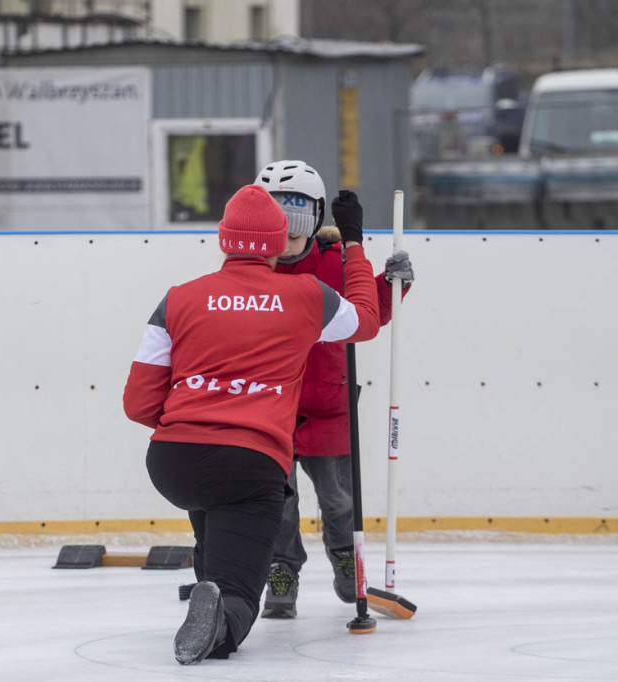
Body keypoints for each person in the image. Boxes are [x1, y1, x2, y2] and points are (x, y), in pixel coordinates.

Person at [123, 183, 382, 665]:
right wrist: (353, 244)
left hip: (172, 460)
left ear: (223, 238)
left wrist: (195, 415)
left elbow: (138, 403)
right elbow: (366, 319)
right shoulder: (306, 295)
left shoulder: (178, 298)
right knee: (242, 590)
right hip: (248, 464)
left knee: (216, 533)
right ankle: (222, 617)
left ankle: (208, 587)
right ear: (280, 238)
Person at [253, 160, 414, 619]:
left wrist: (393, 283)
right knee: (279, 506)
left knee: (339, 501)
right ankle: (282, 569)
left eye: (295, 228)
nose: (285, 242)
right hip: (270, 414)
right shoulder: (254, 272)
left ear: (315, 220)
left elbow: (370, 314)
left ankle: (347, 555)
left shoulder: (335, 262)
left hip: (329, 406)